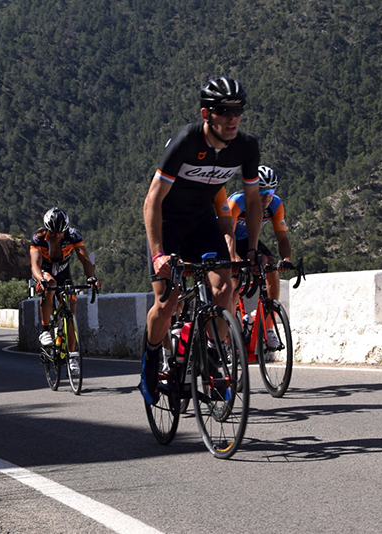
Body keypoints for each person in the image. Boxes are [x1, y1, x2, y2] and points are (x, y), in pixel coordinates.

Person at [140, 76, 263, 404]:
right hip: (168, 224)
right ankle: (152, 358)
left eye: (238, 110)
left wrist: (251, 249)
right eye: (223, 111)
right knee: (167, 303)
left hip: (201, 222)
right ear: (206, 113)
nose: (232, 117)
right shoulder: (185, 142)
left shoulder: (246, 147)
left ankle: (211, 355)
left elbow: (253, 201)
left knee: (225, 287)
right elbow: (152, 200)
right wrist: (157, 255)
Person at [217, 165, 293, 349]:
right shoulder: (238, 201)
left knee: (272, 267)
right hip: (227, 240)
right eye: (261, 191)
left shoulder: (275, 204)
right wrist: (234, 258)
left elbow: (282, 237)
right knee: (233, 283)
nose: (267, 196)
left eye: (271, 191)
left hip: (250, 242)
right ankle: (225, 333)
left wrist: (287, 259)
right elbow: (229, 235)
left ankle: (268, 328)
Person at [30, 206, 100, 375]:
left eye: (60, 232)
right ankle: (45, 330)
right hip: (44, 271)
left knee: (72, 306)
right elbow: (35, 265)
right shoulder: (39, 238)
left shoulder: (72, 235)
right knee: (51, 284)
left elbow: (85, 260)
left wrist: (91, 278)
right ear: (47, 229)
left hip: (63, 271)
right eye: (53, 233)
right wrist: (40, 280)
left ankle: (72, 355)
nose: (57, 236)